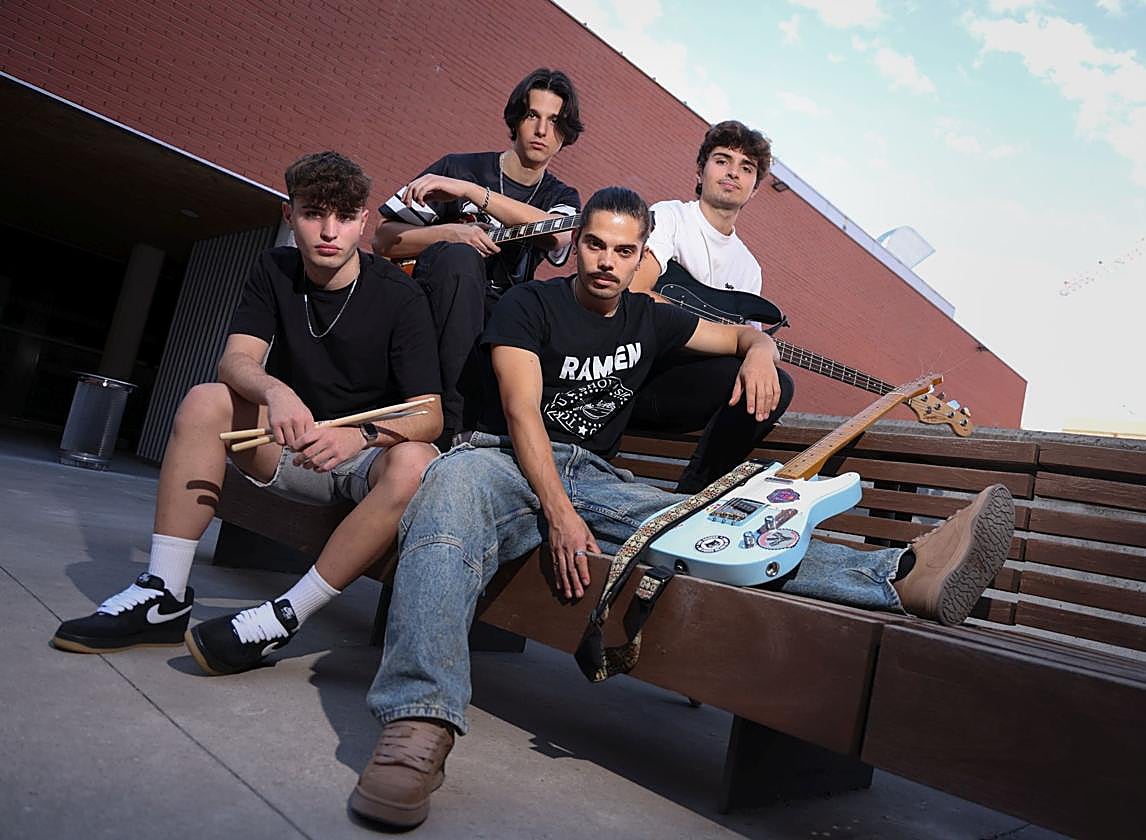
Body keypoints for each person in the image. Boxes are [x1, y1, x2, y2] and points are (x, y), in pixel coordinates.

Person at [347, 187, 1014, 829]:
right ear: (576, 246)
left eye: (625, 250)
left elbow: (740, 339)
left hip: (597, 478)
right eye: (597, 245)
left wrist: (760, 353)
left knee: (706, 530)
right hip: (505, 462)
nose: (609, 261)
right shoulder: (528, 305)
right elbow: (522, 411)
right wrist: (557, 512)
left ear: (643, 257)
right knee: (448, 493)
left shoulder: (651, 317)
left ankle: (900, 575)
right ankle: (417, 724)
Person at [51, 152, 443, 676]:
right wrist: (274, 389)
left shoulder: (401, 294)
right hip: (285, 442)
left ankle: (285, 615)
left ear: (364, 219)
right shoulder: (275, 267)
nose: (330, 231)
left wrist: (360, 436)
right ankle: (163, 594)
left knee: (417, 458)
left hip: (357, 463)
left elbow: (430, 414)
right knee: (206, 400)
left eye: (345, 217)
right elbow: (235, 359)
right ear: (289, 215)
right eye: (314, 214)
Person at [372, 68, 583, 446]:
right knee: (460, 259)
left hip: (499, 321)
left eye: (554, 122)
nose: (541, 131)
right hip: (434, 300)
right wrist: (451, 232)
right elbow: (384, 240)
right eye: (533, 115)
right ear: (516, 119)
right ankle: (451, 429)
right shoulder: (457, 166)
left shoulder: (558, 195)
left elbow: (558, 233)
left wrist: (473, 193)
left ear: (565, 135)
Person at [629, 120, 796, 493]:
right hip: (639, 376)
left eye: (747, 167)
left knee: (774, 383)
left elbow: (745, 349)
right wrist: (723, 337)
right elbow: (637, 294)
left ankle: (694, 496)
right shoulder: (671, 217)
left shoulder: (749, 269)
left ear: (753, 189)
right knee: (737, 375)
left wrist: (760, 352)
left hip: (694, 390)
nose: (733, 172)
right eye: (723, 160)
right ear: (701, 171)